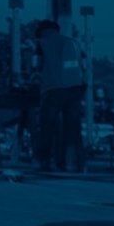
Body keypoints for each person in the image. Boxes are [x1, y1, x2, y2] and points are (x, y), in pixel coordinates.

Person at [32, 20, 87, 172]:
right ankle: (73, 164)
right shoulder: (73, 42)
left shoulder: (43, 43)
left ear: (42, 31)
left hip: (54, 89)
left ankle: (45, 161)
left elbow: (36, 67)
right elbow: (82, 66)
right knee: (73, 128)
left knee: (47, 126)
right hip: (76, 89)